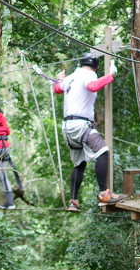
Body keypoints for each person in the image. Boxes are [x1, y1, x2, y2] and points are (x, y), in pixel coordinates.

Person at [54, 52, 126, 212]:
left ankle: (74, 201)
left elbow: (57, 89)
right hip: (81, 126)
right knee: (103, 152)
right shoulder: (89, 74)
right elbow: (93, 86)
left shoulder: (71, 76)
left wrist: (60, 78)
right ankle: (104, 194)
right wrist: (111, 74)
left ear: (81, 63)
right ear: (96, 66)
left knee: (79, 163)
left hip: (68, 128)